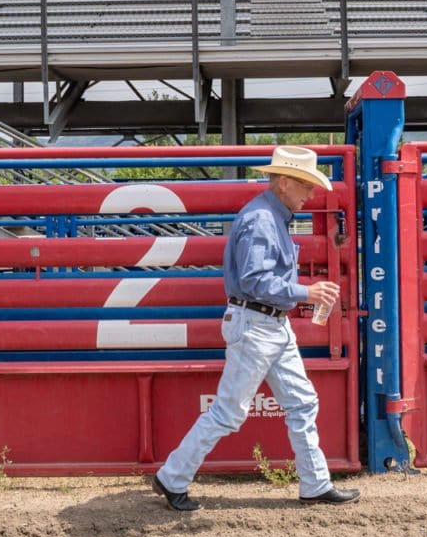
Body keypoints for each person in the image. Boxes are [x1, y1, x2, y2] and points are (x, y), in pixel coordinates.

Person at [152, 145, 361, 511]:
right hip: (259, 324)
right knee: (233, 411)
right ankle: (171, 477)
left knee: (300, 401)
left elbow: (256, 281)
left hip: (266, 324)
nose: (311, 194)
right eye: (305, 186)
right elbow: (254, 280)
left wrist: (300, 293)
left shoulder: (268, 216)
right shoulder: (263, 220)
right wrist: (305, 291)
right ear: (284, 182)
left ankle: (315, 483)